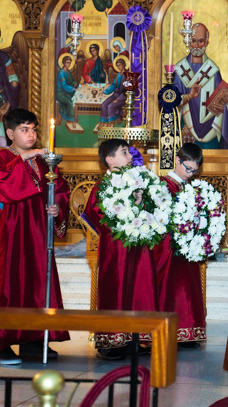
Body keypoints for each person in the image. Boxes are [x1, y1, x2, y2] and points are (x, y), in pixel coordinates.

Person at [0, 109, 71, 365]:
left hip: (36, 230)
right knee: (7, 282)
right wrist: (26, 157)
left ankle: (33, 338)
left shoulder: (45, 161)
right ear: (10, 133)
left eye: (33, 129)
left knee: (36, 282)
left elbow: (60, 188)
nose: (31, 134)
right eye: (25, 130)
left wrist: (56, 207)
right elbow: (3, 184)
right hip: (9, 230)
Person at [84, 139, 158, 360]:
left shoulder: (138, 182)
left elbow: (151, 206)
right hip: (116, 248)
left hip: (139, 246)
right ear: (110, 159)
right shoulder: (102, 186)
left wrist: (141, 204)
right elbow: (96, 212)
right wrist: (125, 214)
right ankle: (110, 340)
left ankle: (136, 336)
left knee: (139, 286)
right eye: (124, 152)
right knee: (114, 288)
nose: (129, 156)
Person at [157, 143, 206, 347]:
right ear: (177, 161)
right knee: (174, 288)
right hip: (168, 247)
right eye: (188, 169)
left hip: (187, 246)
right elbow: (160, 217)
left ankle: (188, 331)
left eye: (195, 171)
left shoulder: (190, 187)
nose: (191, 174)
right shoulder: (162, 185)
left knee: (189, 287)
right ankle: (170, 331)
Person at [171, 23, 228, 149]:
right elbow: (172, 100)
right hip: (186, 126)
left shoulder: (213, 70)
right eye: (193, 41)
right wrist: (188, 96)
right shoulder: (179, 69)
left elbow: (223, 100)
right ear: (188, 41)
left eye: (201, 41)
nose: (197, 46)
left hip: (210, 129)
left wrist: (223, 106)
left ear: (207, 42)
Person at [98, 55, 129, 130]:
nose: (118, 67)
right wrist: (104, 92)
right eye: (117, 66)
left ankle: (110, 122)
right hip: (115, 94)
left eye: (119, 65)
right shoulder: (118, 75)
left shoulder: (127, 75)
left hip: (123, 96)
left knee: (111, 105)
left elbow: (126, 90)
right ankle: (103, 121)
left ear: (123, 65)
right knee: (104, 104)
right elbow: (113, 85)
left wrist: (118, 99)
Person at [55, 54, 79, 126]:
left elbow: (71, 82)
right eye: (67, 63)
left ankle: (69, 118)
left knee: (72, 99)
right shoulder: (61, 73)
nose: (69, 64)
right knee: (69, 103)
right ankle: (72, 120)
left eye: (70, 63)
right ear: (64, 63)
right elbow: (64, 85)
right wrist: (73, 89)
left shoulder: (68, 72)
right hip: (60, 93)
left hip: (66, 92)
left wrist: (74, 83)